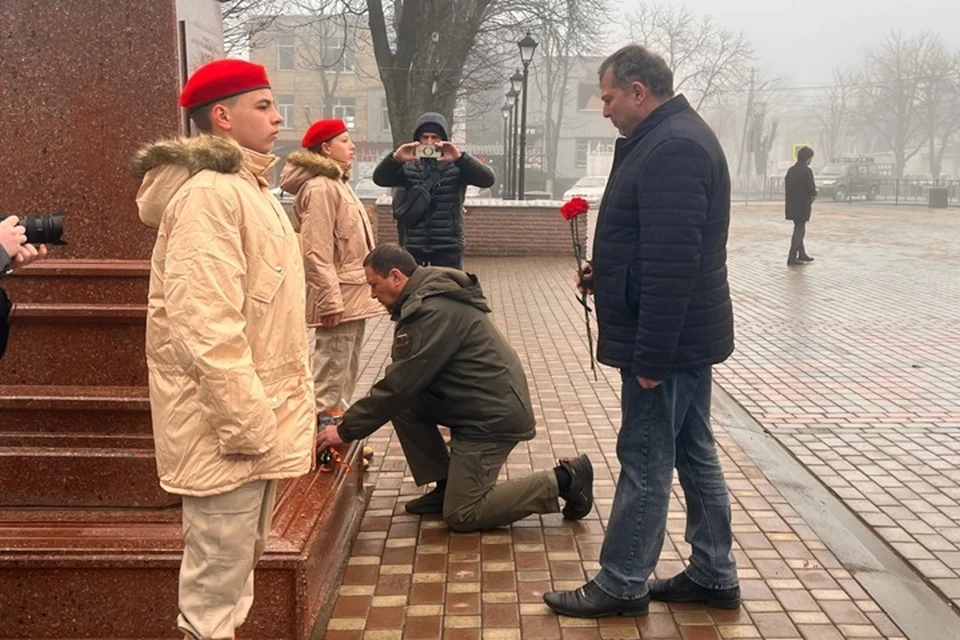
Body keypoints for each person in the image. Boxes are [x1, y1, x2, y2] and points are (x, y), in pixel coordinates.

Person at [543, 45, 739, 618]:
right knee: (692, 451)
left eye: (606, 97)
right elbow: (658, 246)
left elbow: (675, 266)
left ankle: (624, 581)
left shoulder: (673, 145)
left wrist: (651, 356)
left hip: (668, 345)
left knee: (646, 457)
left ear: (637, 90)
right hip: (682, 338)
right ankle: (713, 571)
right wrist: (608, 274)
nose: (603, 110)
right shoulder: (665, 136)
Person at [131, 58, 316, 640]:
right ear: (222, 117)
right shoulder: (211, 195)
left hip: (253, 418)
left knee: (236, 570)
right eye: (263, 105)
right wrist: (247, 421)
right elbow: (206, 325)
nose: (278, 116)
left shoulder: (248, 188)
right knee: (216, 585)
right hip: (228, 426)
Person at [315, 244, 594, 532]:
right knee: (404, 407)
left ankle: (566, 479)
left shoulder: (432, 310)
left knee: (463, 513)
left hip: (491, 417)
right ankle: (446, 486)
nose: (372, 294)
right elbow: (401, 388)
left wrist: (345, 429)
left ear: (396, 277)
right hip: (476, 404)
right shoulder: (427, 299)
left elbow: (399, 384)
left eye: (374, 284)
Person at [279, 119, 383, 424]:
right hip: (338, 293)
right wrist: (329, 299)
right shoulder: (321, 187)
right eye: (345, 141)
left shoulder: (337, 183)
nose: (352, 147)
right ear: (325, 148)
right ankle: (323, 433)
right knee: (332, 367)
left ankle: (337, 427)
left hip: (352, 291)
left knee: (345, 366)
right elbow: (316, 250)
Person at [372, 112, 494, 269]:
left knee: (447, 291)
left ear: (443, 139)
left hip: (448, 247)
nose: (429, 142)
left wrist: (460, 158)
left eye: (435, 137)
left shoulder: (458, 166)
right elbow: (380, 179)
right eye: (425, 137)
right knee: (415, 291)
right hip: (414, 247)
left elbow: (487, 179)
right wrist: (395, 158)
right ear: (418, 139)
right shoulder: (408, 166)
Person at [784, 146, 817, 265]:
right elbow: (811, 189)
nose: (811, 161)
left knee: (798, 227)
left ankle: (802, 254)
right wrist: (814, 195)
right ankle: (792, 256)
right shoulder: (807, 171)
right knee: (800, 230)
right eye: (810, 158)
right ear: (807, 158)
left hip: (792, 204)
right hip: (803, 204)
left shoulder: (791, 170)